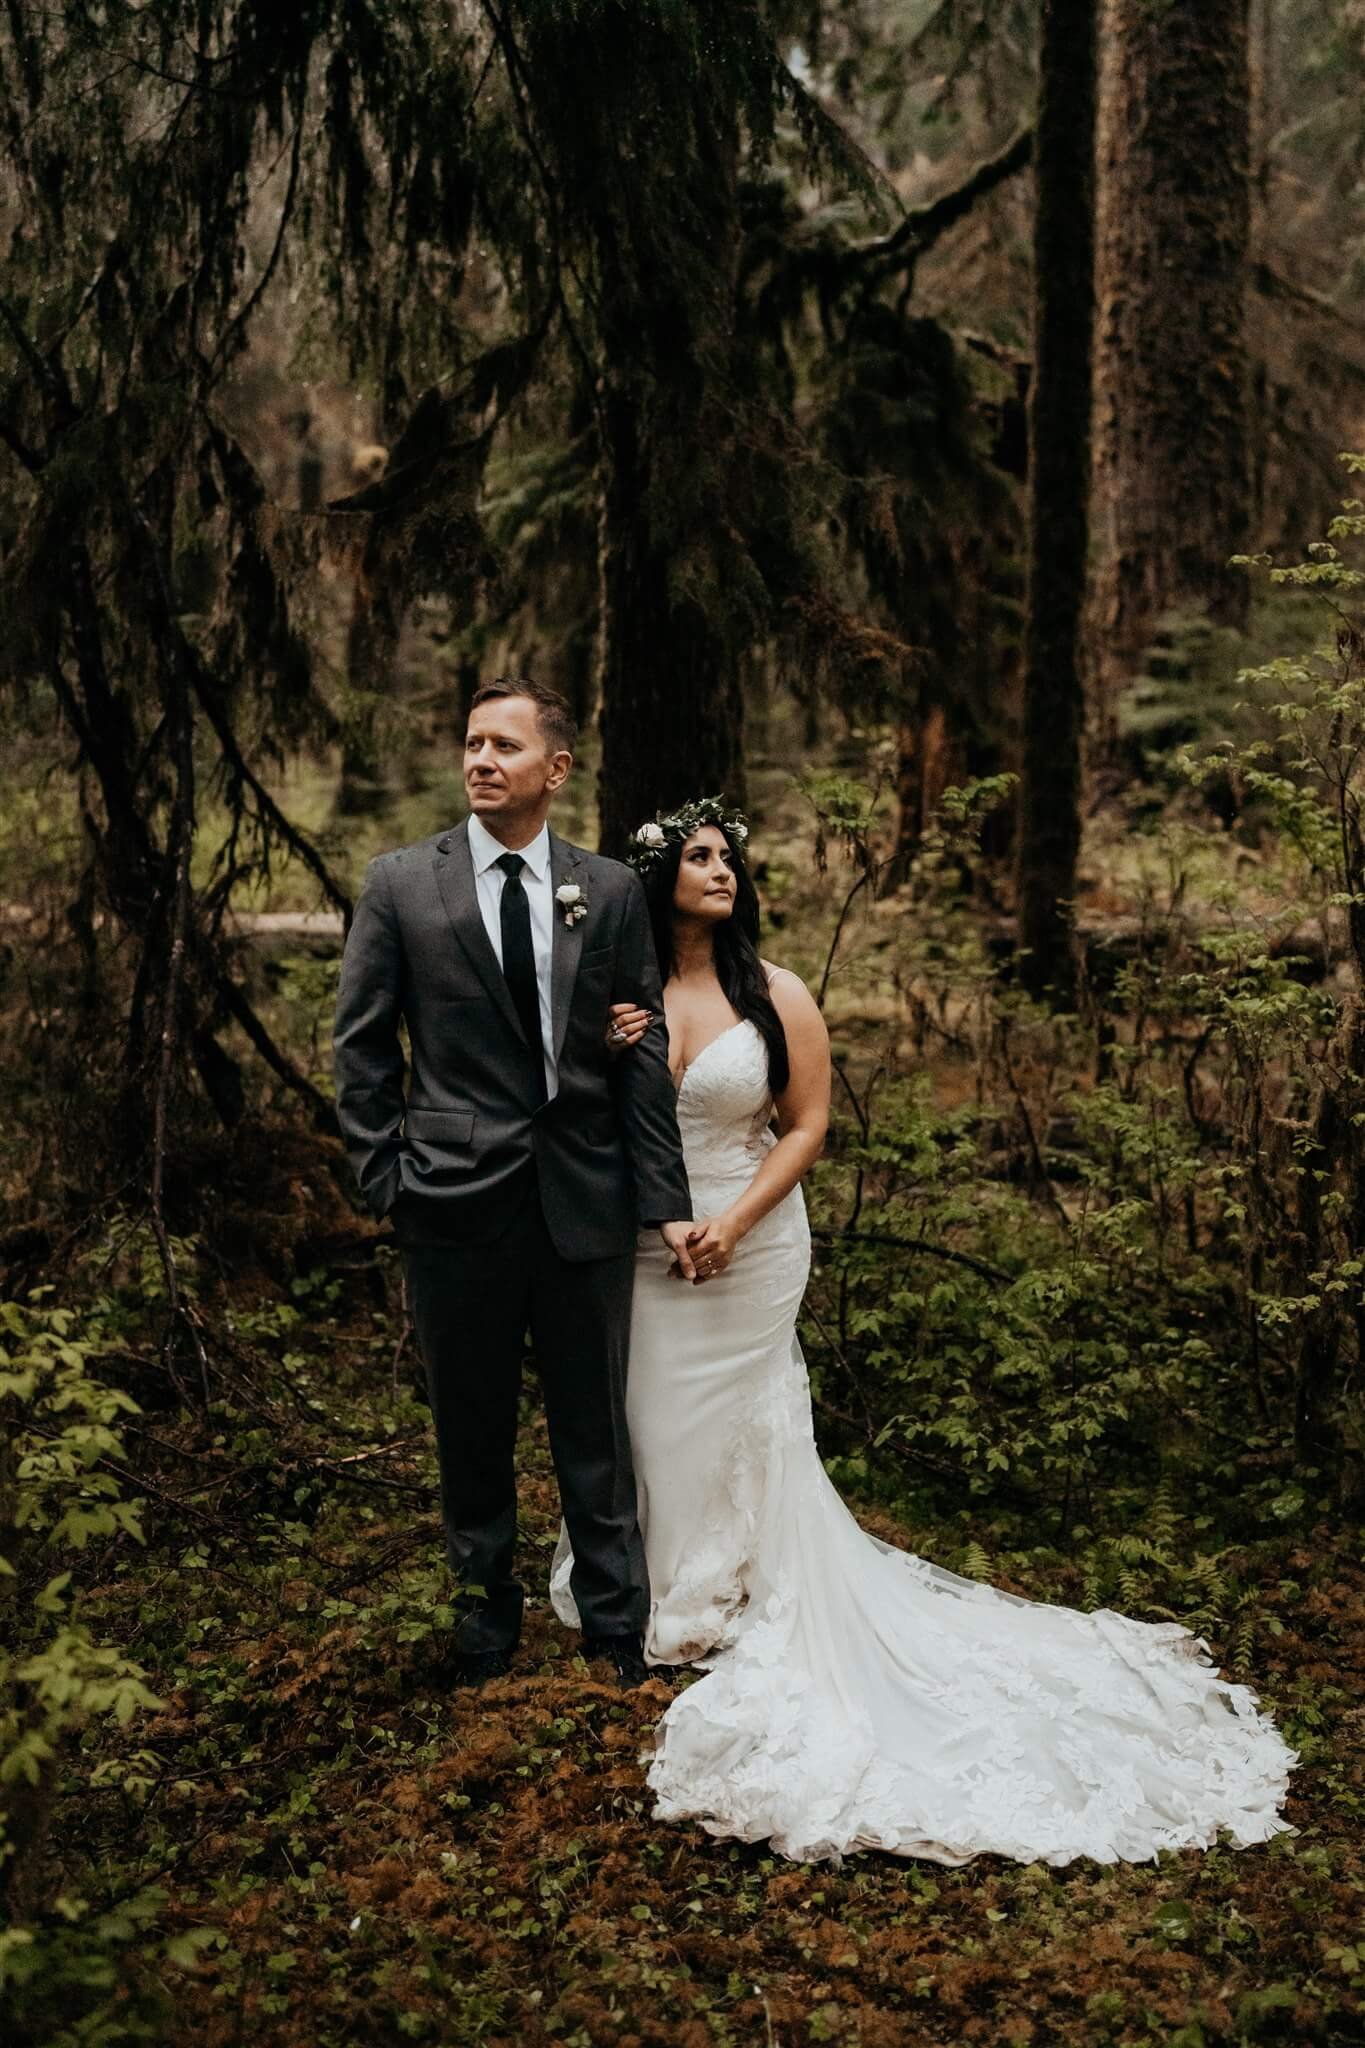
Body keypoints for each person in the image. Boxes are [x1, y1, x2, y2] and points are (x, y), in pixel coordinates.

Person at [552, 797, 1296, 1866]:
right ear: (654, 875)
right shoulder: (619, 995)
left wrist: (735, 1220)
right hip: (650, 1244)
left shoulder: (777, 994)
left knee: (744, 1416)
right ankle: (660, 1594)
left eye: (729, 857)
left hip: (751, 1237)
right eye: (700, 856)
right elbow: (581, 1111)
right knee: (649, 1414)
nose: (721, 870)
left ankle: (740, 1591)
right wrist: (605, 1044)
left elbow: (807, 1123)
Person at [333, 679, 693, 1690]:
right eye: (472, 742)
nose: (481, 759)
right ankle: (484, 1637)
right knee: (472, 1431)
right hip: (450, 1200)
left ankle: (616, 1634)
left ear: (557, 767)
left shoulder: (610, 889)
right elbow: (362, 1044)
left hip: (583, 1192)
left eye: (505, 744)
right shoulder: (403, 883)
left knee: (595, 1428)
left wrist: (662, 1200)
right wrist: (384, 1177)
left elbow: (640, 1046)